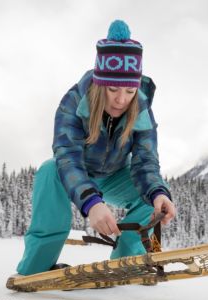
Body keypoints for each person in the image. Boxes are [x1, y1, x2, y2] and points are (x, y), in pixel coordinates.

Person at [16, 20, 176, 276]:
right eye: (112, 89)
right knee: (49, 170)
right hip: (76, 172)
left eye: (129, 90)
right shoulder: (73, 102)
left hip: (115, 175)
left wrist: (159, 193)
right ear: (101, 84)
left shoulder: (142, 108)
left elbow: (146, 161)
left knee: (153, 197)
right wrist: (91, 203)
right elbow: (67, 157)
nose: (121, 99)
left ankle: (125, 265)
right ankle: (35, 268)